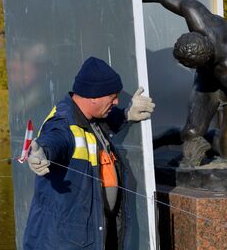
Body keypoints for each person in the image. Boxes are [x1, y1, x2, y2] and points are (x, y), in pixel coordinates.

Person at [24, 57, 155, 250]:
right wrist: (42, 154)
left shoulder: (91, 118)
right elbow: (55, 140)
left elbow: (107, 122)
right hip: (63, 243)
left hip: (90, 236)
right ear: (93, 96)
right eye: (113, 96)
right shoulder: (63, 123)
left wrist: (127, 114)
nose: (117, 101)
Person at [141, 0, 227, 167]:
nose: (186, 68)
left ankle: (213, 142)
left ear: (204, 60)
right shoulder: (195, 14)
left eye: (190, 66)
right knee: (192, 131)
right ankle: (164, 141)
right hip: (208, 77)